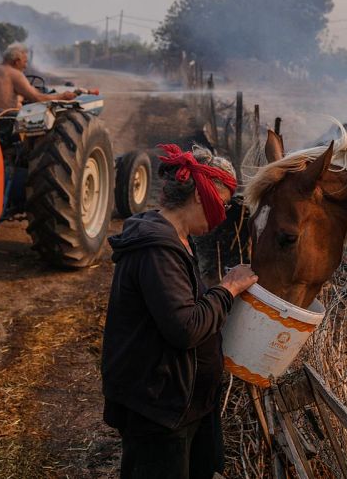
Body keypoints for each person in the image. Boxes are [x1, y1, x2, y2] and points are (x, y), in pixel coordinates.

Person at [101, 144, 257, 479]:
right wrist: (228, 288)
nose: (223, 214)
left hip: (185, 404)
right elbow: (185, 327)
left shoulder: (177, 241)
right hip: (160, 411)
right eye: (223, 203)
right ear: (203, 195)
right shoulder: (157, 250)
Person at [0, 44, 76, 110]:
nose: (26, 66)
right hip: (3, 121)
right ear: (16, 61)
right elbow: (38, 98)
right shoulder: (14, 74)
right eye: (25, 62)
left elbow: (0, 95)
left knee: (19, 103)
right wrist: (63, 96)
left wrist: (19, 97)